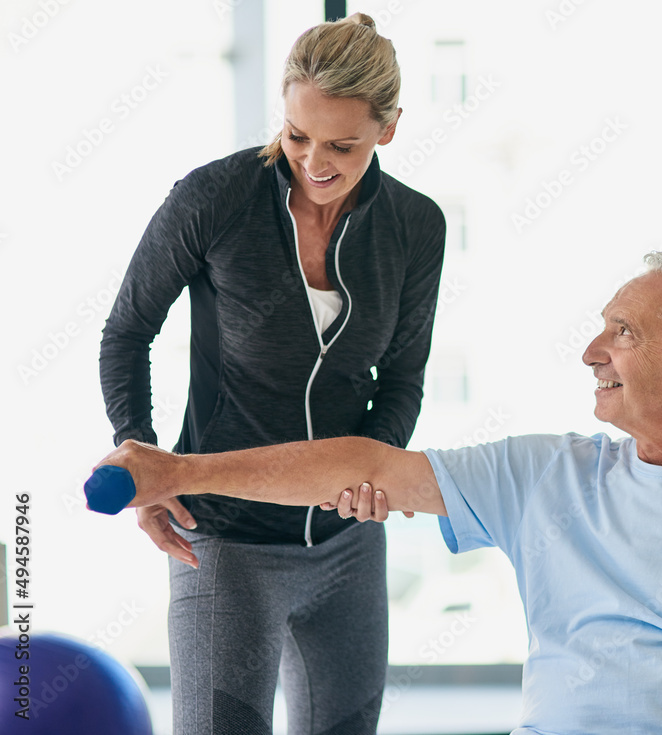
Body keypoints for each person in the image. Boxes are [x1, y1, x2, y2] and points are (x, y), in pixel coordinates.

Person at [97, 253, 662, 734]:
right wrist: (181, 471)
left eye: (625, 332)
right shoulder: (551, 474)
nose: (592, 350)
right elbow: (371, 464)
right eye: (602, 326)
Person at [98, 14, 446, 734]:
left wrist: (370, 473)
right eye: (296, 135)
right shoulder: (214, 198)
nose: (313, 160)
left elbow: (404, 377)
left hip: (347, 547)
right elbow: (127, 329)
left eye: (341, 145)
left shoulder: (417, 225)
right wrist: (145, 460)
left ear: (389, 128)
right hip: (224, 540)